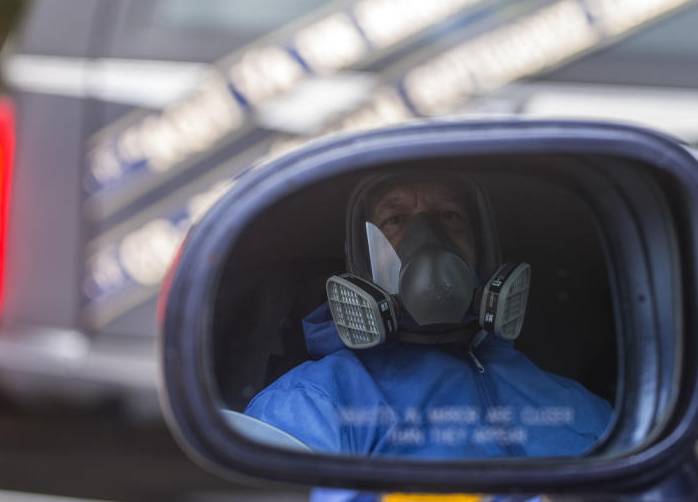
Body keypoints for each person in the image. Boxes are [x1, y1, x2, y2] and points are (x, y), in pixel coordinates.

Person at [244, 172, 612, 458]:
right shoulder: (312, 403)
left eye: (450, 216)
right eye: (395, 219)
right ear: (363, 259)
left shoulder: (577, 408)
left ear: (483, 251)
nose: (428, 238)